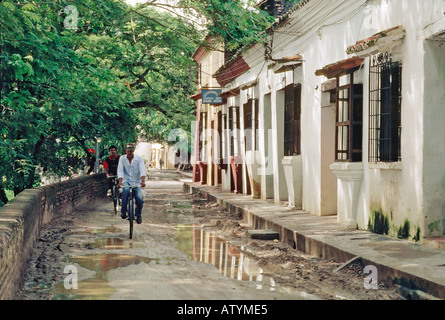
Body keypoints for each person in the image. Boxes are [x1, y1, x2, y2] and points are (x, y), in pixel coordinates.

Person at [117, 143, 146, 224]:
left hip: (136, 181)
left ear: (133, 151)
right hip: (125, 180)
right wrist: (120, 181)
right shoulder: (122, 158)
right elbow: (120, 170)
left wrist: (143, 181)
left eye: (131, 151)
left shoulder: (139, 159)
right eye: (128, 151)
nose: (129, 152)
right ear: (126, 151)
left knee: (139, 198)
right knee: (125, 192)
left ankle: (138, 215)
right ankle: (123, 211)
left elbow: (142, 170)